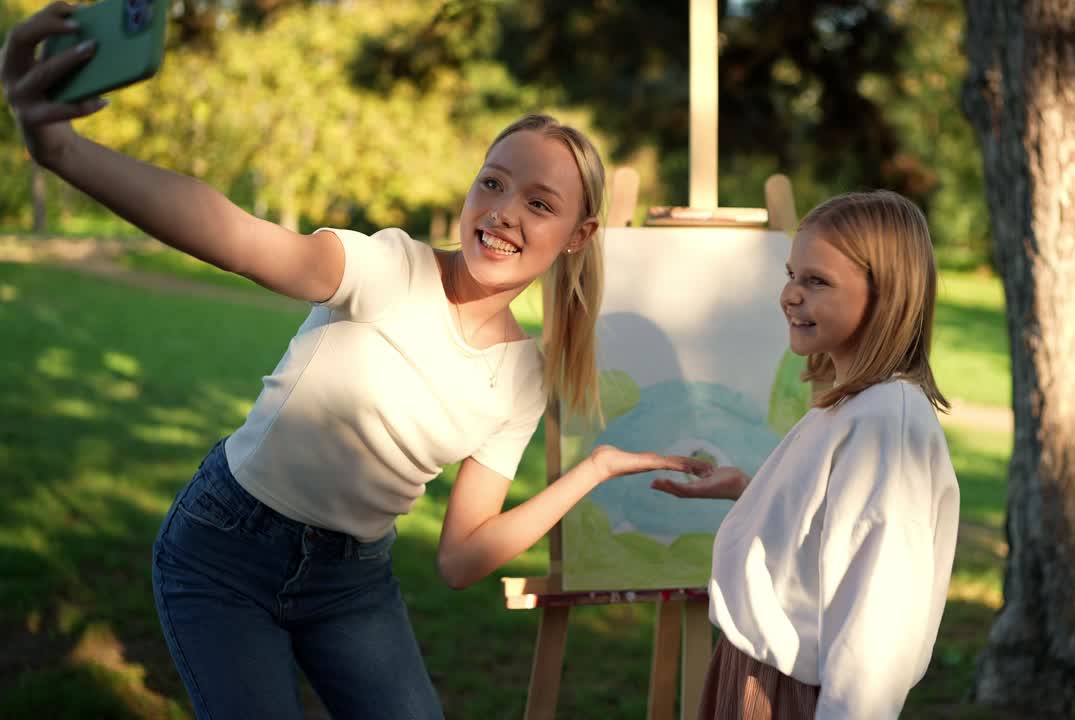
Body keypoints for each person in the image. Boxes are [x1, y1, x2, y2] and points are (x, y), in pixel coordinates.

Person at [2, 5, 708, 718]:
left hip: (350, 583)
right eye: (491, 183)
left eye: (538, 201)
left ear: (580, 235)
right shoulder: (387, 266)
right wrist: (64, 152)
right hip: (226, 550)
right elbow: (238, 237)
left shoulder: (523, 378)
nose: (502, 212)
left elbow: (461, 557)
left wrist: (593, 469)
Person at [653, 191, 961, 719]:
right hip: (757, 678)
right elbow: (828, 539)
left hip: (788, 697)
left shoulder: (887, 422)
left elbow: (876, 626)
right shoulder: (854, 406)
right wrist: (752, 492)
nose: (790, 296)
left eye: (816, 281)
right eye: (792, 274)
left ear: (885, 296)